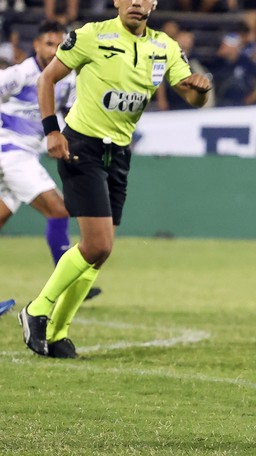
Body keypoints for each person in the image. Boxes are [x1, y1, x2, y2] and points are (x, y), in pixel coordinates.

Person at [18, 0, 212, 359]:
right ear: (117, 2)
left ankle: (58, 333)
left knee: (98, 253)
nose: (137, 3)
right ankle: (36, 311)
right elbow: (47, 78)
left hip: (118, 153)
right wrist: (52, 132)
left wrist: (200, 90)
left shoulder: (164, 47)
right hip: (81, 146)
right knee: (98, 246)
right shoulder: (92, 35)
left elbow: (191, 96)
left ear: (153, 4)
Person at [0, 20, 102, 300]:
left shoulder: (66, 79)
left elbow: (71, 114)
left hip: (23, 155)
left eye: (59, 45)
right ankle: (67, 283)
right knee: (58, 211)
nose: (53, 50)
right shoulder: (21, 74)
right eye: (48, 44)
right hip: (10, 152)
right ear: (36, 45)